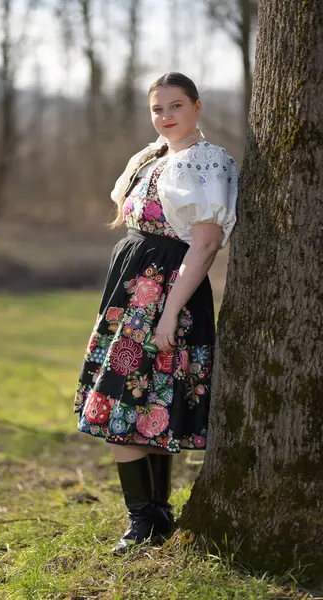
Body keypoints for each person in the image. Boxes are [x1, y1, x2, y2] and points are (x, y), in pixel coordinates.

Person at [73, 72, 238, 554]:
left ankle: (141, 521)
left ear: (197, 107)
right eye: (157, 108)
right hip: (131, 294)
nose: (165, 116)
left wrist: (168, 315)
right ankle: (157, 516)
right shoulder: (150, 157)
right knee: (146, 404)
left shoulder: (206, 162)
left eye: (176, 106)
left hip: (165, 296)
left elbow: (205, 245)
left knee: (123, 400)